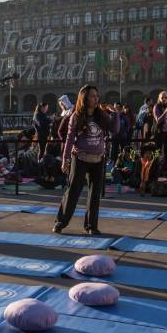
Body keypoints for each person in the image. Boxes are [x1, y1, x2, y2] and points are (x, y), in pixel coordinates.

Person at [54, 84, 114, 236]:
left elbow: (116, 129)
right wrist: (65, 159)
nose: (96, 99)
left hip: (98, 159)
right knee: (73, 190)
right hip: (80, 157)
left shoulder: (101, 115)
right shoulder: (76, 116)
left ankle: (91, 226)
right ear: (85, 98)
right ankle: (61, 221)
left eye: (96, 96)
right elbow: (69, 138)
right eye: (93, 96)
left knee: (95, 194)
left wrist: (116, 114)